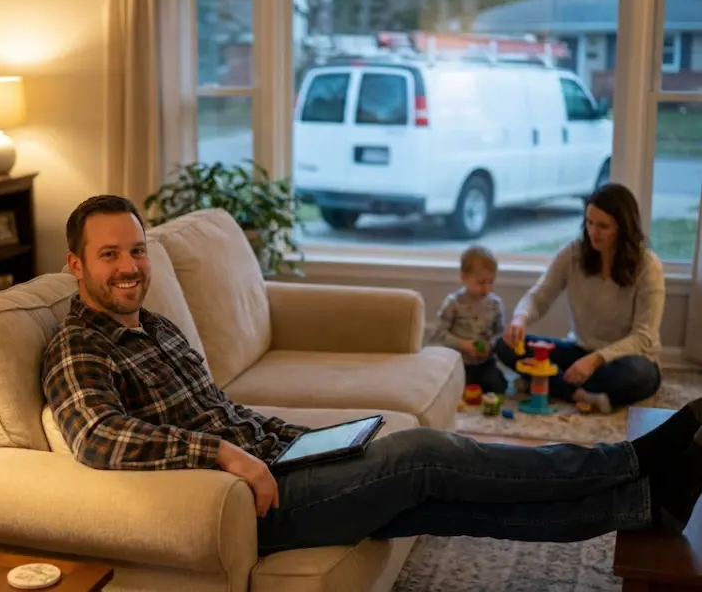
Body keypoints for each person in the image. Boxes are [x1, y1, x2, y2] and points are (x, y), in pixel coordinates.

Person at [42, 194, 702, 557]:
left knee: (445, 499)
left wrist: (298, 436)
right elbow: (99, 437)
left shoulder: (154, 325)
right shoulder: (79, 345)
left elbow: (219, 408)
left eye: (135, 250)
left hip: (276, 466)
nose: (129, 267)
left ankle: (642, 506)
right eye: (109, 255)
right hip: (247, 506)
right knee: (420, 454)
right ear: (76, 264)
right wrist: (226, 455)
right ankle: (627, 459)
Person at [497, 183, 664, 413]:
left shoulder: (648, 266)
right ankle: (580, 393)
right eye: (589, 223)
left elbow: (644, 336)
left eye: (603, 226)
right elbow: (539, 296)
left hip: (624, 360)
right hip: (579, 350)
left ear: (623, 228)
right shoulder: (573, 253)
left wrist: (595, 360)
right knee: (504, 346)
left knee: (638, 375)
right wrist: (519, 319)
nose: (593, 232)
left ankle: (547, 383)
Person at [434, 245, 507, 393]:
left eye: (491, 282)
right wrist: (464, 344)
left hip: (484, 362)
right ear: (463, 277)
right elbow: (440, 334)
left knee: (499, 387)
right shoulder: (454, 303)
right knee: (453, 390)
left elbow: (500, 333)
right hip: (458, 362)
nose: (486, 288)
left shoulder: (495, 304)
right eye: (480, 283)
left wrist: (490, 346)